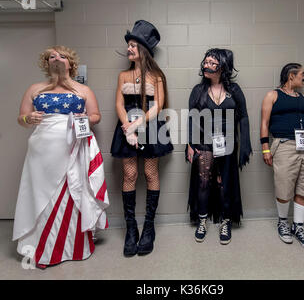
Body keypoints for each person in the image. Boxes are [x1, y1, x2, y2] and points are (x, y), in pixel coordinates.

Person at [13, 45, 109, 269]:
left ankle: (74, 248)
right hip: (41, 151)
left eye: (61, 55)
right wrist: (28, 119)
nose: (56, 58)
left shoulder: (83, 90)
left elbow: (97, 115)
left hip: (73, 148)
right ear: (47, 63)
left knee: (72, 193)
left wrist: (86, 117)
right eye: (51, 56)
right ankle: (42, 253)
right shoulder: (35, 89)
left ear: (71, 63)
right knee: (41, 198)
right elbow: (21, 117)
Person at [111, 20, 173, 256]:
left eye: (133, 45)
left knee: (150, 173)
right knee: (130, 174)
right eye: (128, 45)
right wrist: (127, 126)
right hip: (127, 128)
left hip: (150, 127)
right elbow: (118, 103)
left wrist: (139, 123)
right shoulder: (123, 75)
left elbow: (158, 106)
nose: (129, 49)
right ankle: (131, 230)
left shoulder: (156, 75)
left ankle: (149, 228)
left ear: (143, 50)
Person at [186, 48, 252, 245]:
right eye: (205, 62)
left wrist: (245, 145)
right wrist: (189, 144)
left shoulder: (235, 91)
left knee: (224, 183)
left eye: (212, 63)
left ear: (223, 67)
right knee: (204, 182)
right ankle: (203, 220)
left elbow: (244, 116)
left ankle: (226, 220)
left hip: (228, 144)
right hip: (204, 143)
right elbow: (191, 118)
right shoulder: (198, 91)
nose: (206, 65)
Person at [260, 63, 304, 253]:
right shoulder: (273, 95)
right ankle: (282, 222)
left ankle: (298, 227)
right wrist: (265, 148)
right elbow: (264, 123)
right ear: (291, 76)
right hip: (285, 144)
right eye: (302, 74)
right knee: (284, 185)